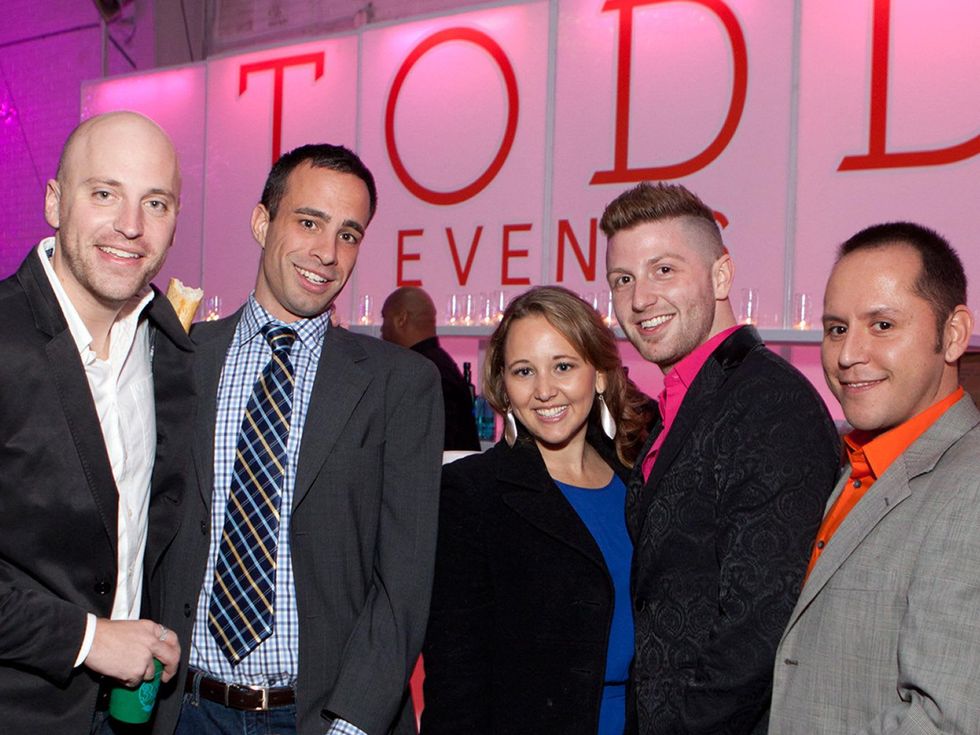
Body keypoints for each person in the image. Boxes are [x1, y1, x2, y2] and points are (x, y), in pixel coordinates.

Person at [151, 143, 443, 735]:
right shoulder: (178, 356)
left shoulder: (399, 385)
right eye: (309, 222)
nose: (327, 253)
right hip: (180, 710)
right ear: (263, 222)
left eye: (349, 234)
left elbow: (404, 584)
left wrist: (352, 724)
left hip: (317, 718)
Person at [601, 182, 840, 734]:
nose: (640, 299)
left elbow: (759, 624)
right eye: (623, 279)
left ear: (722, 275)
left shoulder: (770, 406)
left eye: (664, 270)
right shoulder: (691, 397)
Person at [0, 111, 192, 732]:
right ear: (56, 200)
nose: (131, 226)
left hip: (128, 716)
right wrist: (88, 640)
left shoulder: (166, 345)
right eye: (104, 193)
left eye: (155, 203)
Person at [769, 223, 980, 733]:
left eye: (882, 326)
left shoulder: (970, 487)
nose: (847, 355)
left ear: (951, 335)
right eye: (837, 328)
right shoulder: (859, 463)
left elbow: (944, 719)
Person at [421, 286, 654, 735]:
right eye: (524, 371)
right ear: (504, 386)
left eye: (563, 366)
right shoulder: (473, 493)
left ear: (600, 375)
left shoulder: (637, 484)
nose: (545, 391)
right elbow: (455, 681)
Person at [380, 286, 481, 451]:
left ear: (401, 319)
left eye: (384, 318)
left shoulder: (419, 371)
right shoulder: (439, 364)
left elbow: (429, 447)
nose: (382, 329)